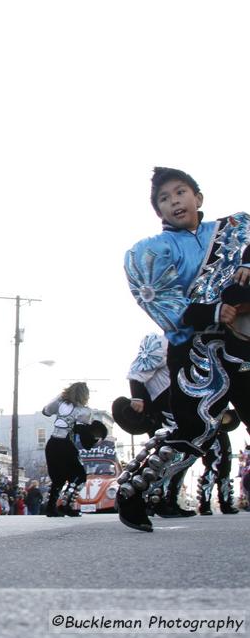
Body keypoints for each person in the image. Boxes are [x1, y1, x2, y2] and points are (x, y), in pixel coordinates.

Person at [117, 167, 250, 532]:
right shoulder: (154, 250)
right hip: (197, 351)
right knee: (195, 429)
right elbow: (164, 304)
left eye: (180, 192)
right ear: (158, 212)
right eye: (164, 198)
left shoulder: (236, 230)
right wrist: (212, 310)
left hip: (242, 346)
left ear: (198, 198)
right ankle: (132, 493)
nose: (174, 201)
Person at [113, 334, 194, 518]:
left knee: (182, 455)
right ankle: (147, 499)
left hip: (179, 405)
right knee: (168, 455)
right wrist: (137, 396)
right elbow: (138, 368)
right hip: (163, 405)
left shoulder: (191, 342)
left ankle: (168, 500)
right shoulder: (162, 340)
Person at [41, 382, 103, 518]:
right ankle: (66, 504)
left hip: (52, 443)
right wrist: (95, 440)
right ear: (85, 395)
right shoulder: (84, 411)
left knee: (58, 478)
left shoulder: (60, 401)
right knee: (79, 475)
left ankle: (51, 507)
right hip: (65, 444)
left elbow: (45, 411)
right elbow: (84, 436)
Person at [197, 409, 241, 515]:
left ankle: (225, 504)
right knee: (212, 468)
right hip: (210, 432)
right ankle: (205, 505)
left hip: (223, 433)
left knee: (225, 470)